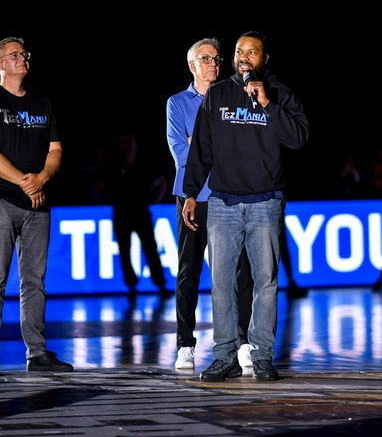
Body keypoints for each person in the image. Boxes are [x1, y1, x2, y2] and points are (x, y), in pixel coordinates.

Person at [182, 31, 309, 382]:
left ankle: (262, 354)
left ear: (264, 59)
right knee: (222, 283)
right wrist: (191, 192)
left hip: (266, 203)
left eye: (252, 52)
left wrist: (267, 103)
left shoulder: (280, 95)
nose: (243, 56)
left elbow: (298, 138)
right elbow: (200, 149)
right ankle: (225, 356)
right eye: (239, 51)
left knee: (265, 283)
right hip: (223, 203)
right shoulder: (218, 94)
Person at [0, 36, 74, 376]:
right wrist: (25, 181)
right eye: (15, 55)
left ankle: (37, 352)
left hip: (38, 202)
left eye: (25, 54)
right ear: (1, 63)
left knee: (34, 281)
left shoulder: (43, 103)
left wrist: (41, 178)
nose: (23, 58)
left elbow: (56, 151)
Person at [166, 37, 254, 370]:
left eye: (217, 59)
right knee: (189, 271)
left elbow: (240, 145)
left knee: (236, 273)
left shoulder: (231, 98)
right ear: (192, 65)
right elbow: (182, 152)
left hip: (227, 194)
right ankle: (185, 343)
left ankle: (242, 341)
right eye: (206, 59)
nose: (214, 65)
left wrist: (203, 143)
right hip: (191, 196)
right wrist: (212, 146)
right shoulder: (177, 103)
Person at [102, 131, 171, 299]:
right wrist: (107, 199)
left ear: (135, 143)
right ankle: (131, 286)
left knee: (150, 248)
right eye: (122, 142)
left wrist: (155, 200)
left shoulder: (144, 162)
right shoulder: (114, 163)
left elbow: (162, 181)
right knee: (124, 251)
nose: (125, 145)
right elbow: (100, 184)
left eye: (128, 141)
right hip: (121, 212)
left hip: (141, 211)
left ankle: (160, 284)